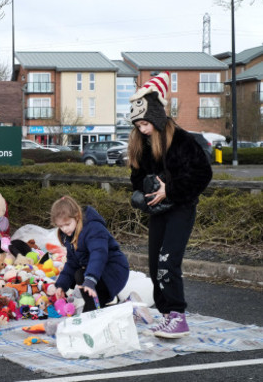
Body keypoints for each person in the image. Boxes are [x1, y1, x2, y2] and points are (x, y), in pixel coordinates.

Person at [128, 71, 213, 339]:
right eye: (138, 125)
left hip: (180, 208)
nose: (141, 130)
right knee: (154, 265)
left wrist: (170, 190)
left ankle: (178, 316)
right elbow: (137, 178)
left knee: (168, 262)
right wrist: (145, 192)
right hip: (158, 211)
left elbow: (202, 174)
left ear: (155, 116)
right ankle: (167, 316)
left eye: (144, 124)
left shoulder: (183, 141)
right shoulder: (142, 144)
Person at [51, 196, 129, 313]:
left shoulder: (93, 228)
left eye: (67, 224)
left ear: (77, 216)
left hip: (113, 270)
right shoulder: (69, 236)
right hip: (98, 272)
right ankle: (106, 307)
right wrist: (61, 285)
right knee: (80, 277)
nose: (65, 229)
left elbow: (99, 254)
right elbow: (72, 263)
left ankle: (97, 307)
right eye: (61, 226)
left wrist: (91, 279)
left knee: (81, 276)